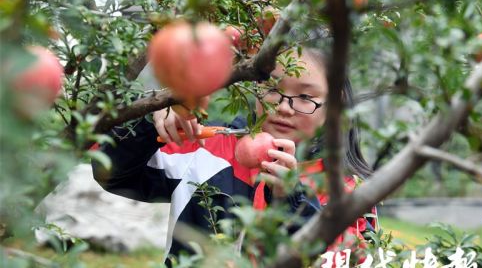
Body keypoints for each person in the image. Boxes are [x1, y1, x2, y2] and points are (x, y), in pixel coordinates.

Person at [91, 46, 375, 267]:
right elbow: (113, 174)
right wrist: (149, 123)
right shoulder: (207, 149)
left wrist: (292, 199)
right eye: (274, 89)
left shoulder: (350, 191)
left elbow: (345, 260)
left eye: (306, 97)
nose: (285, 108)